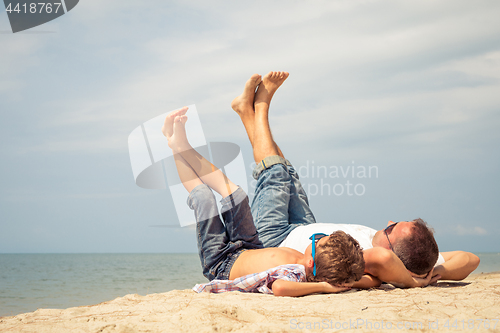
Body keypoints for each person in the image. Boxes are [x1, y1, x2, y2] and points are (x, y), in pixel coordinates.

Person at [231, 71, 480, 288]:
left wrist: (407, 281)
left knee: (274, 174)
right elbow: (470, 259)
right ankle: (245, 112)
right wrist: (433, 272)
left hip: (276, 239)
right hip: (305, 227)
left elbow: (382, 262)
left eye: (391, 228)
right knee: (285, 170)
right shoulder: (413, 258)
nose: (389, 221)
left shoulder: (368, 262)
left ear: (391, 252)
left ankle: (261, 107)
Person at [161, 102, 365, 296]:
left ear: (312, 262)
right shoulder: (309, 262)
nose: (316, 238)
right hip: (248, 244)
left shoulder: (296, 273)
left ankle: (175, 146)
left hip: (221, 262)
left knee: (204, 197)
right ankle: (183, 145)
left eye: (318, 241)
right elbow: (360, 279)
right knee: (237, 195)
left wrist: (325, 287)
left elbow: (280, 289)